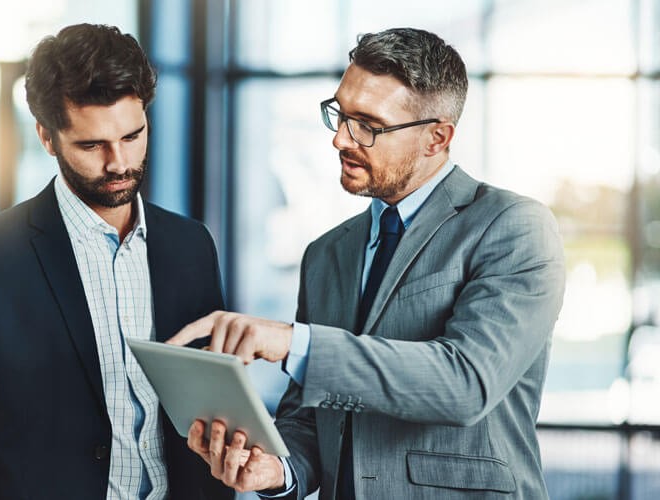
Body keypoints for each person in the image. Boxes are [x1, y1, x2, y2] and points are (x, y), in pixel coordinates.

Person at [168, 27, 565, 499]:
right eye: (339, 114)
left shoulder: (512, 226)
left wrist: (293, 342)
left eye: (368, 125)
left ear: (437, 138)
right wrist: (277, 469)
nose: (340, 139)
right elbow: (311, 416)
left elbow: (466, 384)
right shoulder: (326, 253)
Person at [0, 23, 232, 500]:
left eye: (133, 136)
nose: (119, 162)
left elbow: (209, 415)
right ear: (47, 136)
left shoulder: (191, 245)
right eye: (91, 145)